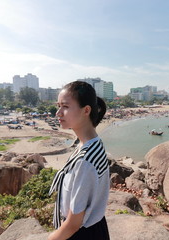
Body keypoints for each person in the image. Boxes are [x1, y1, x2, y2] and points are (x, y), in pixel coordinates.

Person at [48, 81, 110, 240]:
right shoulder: (92, 143)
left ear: (86, 110)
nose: (58, 113)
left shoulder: (85, 160)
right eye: (58, 106)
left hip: (81, 233)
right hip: (94, 227)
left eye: (65, 107)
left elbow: (74, 223)